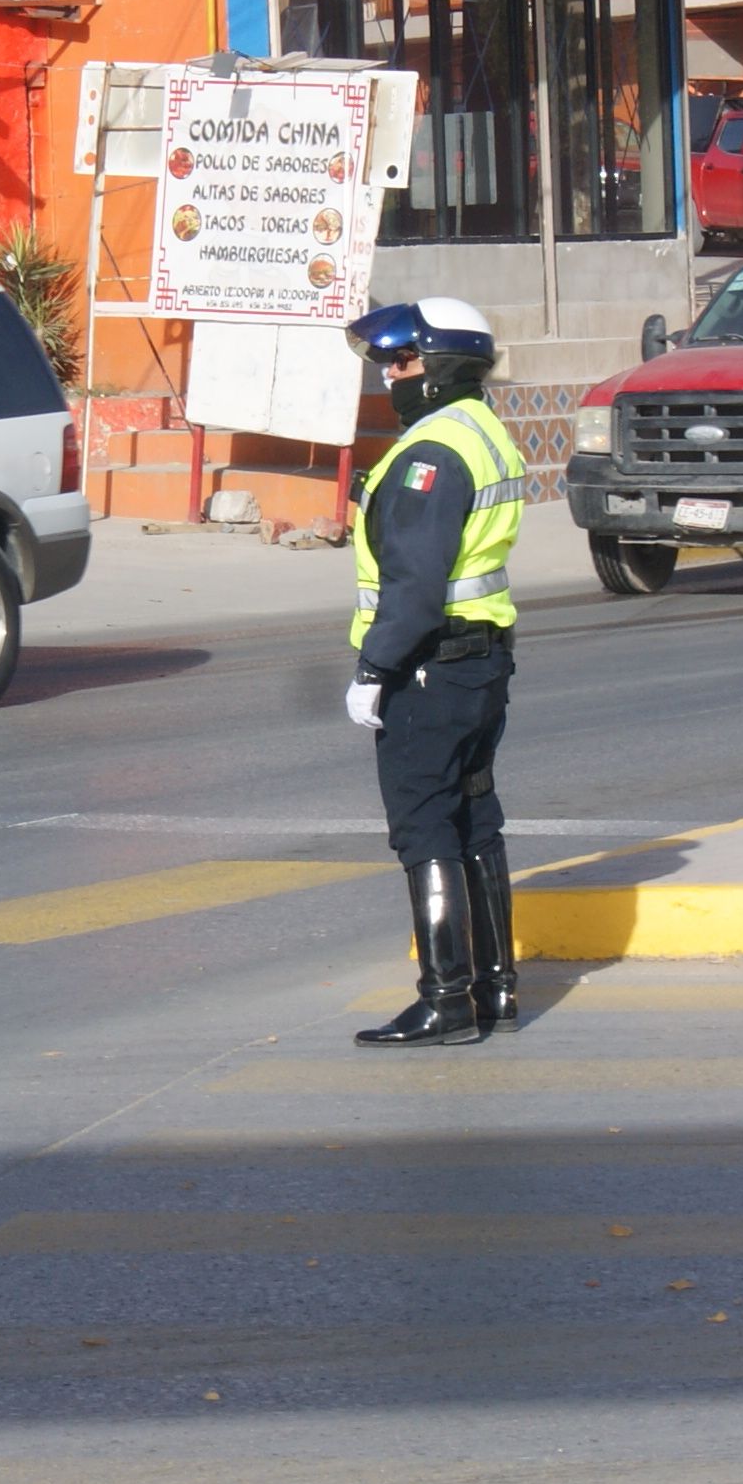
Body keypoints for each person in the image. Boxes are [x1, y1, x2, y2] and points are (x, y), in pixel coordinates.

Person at [339, 296, 537, 1047]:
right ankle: (496, 989)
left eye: (403, 361)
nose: (391, 375)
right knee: (475, 821)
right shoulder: (483, 431)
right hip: (481, 660)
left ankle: (445, 998)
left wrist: (373, 668)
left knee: (425, 828)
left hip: (429, 666)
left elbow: (414, 584)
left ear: (441, 365)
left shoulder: (430, 453)